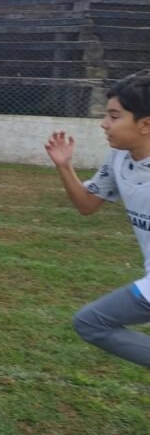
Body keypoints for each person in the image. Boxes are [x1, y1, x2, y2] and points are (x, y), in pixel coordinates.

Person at [45, 69, 150, 368]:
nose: (104, 124)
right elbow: (87, 205)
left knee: (91, 322)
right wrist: (64, 166)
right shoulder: (118, 158)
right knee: (91, 323)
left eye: (114, 116)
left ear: (145, 124)